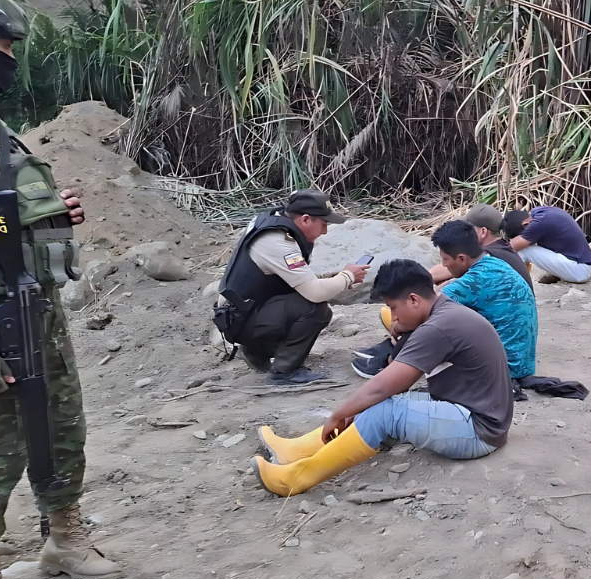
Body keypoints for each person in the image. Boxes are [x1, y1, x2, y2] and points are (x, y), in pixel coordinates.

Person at [0, 0, 121, 579]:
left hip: (33, 308)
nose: (9, 57)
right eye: (3, 46)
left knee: (61, 427)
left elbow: (0, 221)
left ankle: (63, 534)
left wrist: (44, 215)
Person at [252, 260, 512, 497]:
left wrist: (339, 413)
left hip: (478, 431)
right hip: (479, 416)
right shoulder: (445, 314)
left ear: (413, 299)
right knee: (374, 403)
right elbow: (396, 366)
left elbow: (386, 384)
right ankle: (296, 451)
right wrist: (403, 329)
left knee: (383, 409)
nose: (393, 317)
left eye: (393, 308)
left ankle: (297, 478)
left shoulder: (438, 328)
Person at [214, 189, 369, 385]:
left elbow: (294, 279)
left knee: (303, 303)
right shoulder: (278, 242)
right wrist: (347, 276)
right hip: (241, 320)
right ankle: (284, 371)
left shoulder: (274, 224)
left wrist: (336, 277)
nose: (325, 231)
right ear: (305, 219)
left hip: (242, 313)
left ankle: (256, 350)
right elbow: (315, 293)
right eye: (323, 224)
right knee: (314, 309)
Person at [353, 220, 537, 383]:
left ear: (462, 258)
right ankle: (391, 352)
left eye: (445, 259)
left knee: (426, 321)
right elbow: (443, 292)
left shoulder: (473, 281)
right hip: (520, 361)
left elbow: (427, 308)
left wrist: (398, 327)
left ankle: (391, 363)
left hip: (504, 368)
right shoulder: (493, 265)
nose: (445, 265)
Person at [429, 204, 532, 291]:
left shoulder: (487, 255)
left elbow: (437, 273)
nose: (464, 232)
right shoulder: (502, 248)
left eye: (468, 228)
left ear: (483, 231)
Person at [504, 206, 591, 283]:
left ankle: (508, 282)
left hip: (579, 271)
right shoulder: (539, 212)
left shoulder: (538, 224)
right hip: (578, 264)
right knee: (524, 246)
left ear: (525, 224)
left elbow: (510, 248)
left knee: (524, 249)